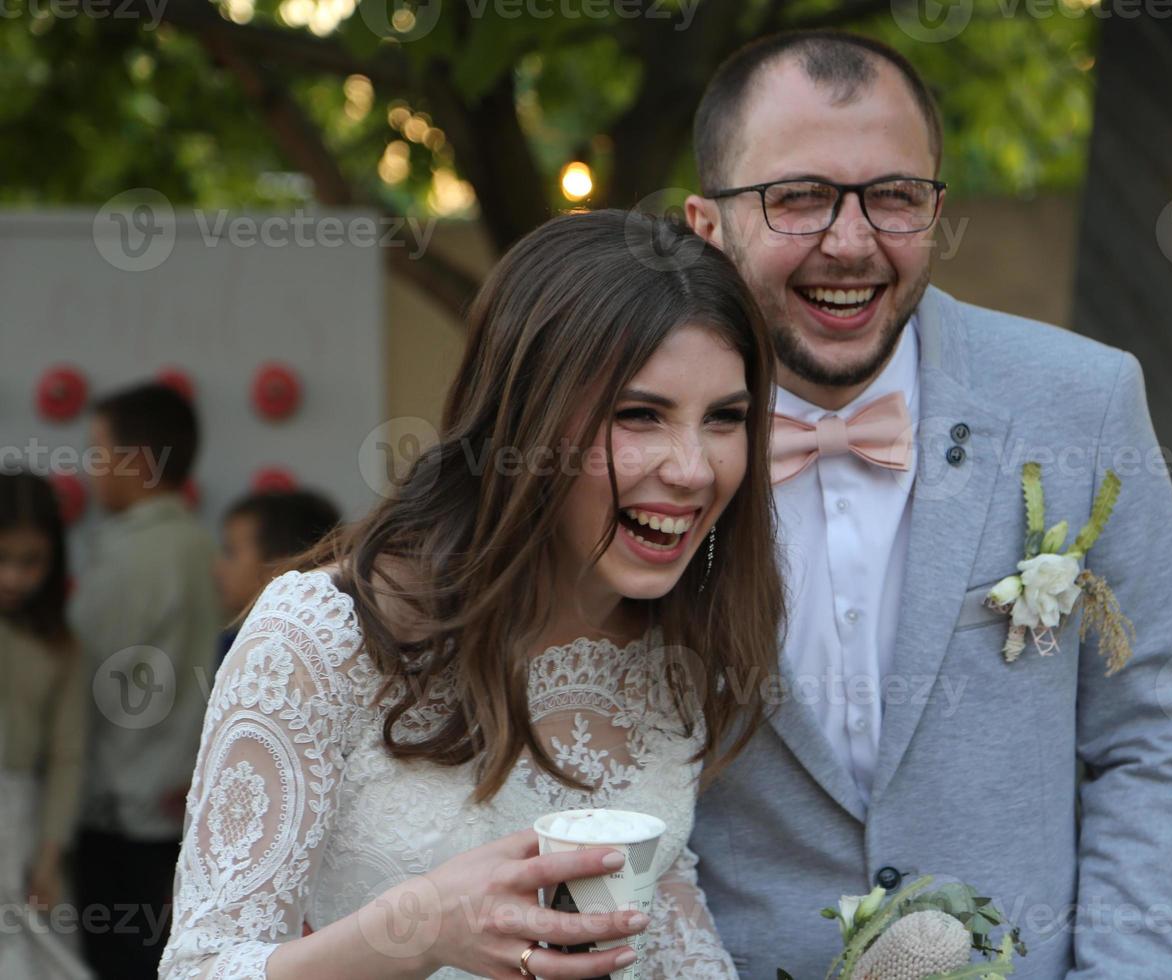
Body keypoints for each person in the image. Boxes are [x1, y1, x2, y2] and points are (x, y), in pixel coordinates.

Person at [683, 30, 1172, 979]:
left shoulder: (1082, 399)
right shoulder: (643, 436)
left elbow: (1160, 720)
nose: (849, 244)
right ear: (707, 224)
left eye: (894, 196)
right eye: (798, 197)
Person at [159, 210, 784, 979]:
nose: (693, 469)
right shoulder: (321, 637)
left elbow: (662, 919)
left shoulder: (681, 643)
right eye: (639, 415)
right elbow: (199, 967)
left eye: (725, 418)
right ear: (525, 417)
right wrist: (416, 929)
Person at [69, 382, 222, 978]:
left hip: (120, 810)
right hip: (177, 800)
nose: (89, 468)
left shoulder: (134, 559)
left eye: (97, 450)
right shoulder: (198, 545)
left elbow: (79, 678)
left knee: (121, 962)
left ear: (136, 461)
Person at [0, 469, 91, 980]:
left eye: (30, 561)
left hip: (22, 822)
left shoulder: (61, 645)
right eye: (3, 557)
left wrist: (50, 854)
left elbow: (66, 755)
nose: (14, 576)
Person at [213, 489, 341, 665]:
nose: (217, 569)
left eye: (231, 552)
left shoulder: (283, 658)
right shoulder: (235, 640)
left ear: (280, 566)